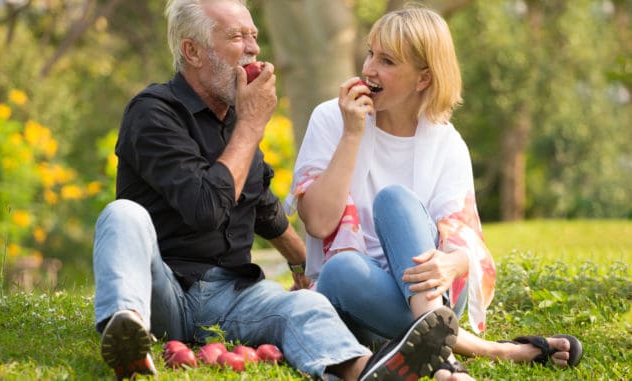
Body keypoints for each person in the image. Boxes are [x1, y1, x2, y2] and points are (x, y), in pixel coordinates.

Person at [92, 0, 462, 380]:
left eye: (253, 36)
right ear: (192, 51)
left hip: (233, 295)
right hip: (165, 290)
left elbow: (262, 206)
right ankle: (126, 328)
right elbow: (204, 208)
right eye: (238, 37)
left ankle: (365, 371)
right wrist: (251, 126)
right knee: (122, 215)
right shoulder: (153, 113)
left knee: (304, 304)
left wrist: (301, 263)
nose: (253, 48)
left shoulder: (235, 118)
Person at [285, 5, 583, 381]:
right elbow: (318, 222)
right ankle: (489, 352)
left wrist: (451, 264)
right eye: (370, 52)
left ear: (423, 79)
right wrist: (351, 134)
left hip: (433, 292)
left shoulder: (447, 143)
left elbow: (466, 246)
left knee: (395, 199)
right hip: (355, 296)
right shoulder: (332, 119)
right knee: (342, 268)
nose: (368, 69)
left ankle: (435, 347)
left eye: (387, 61)